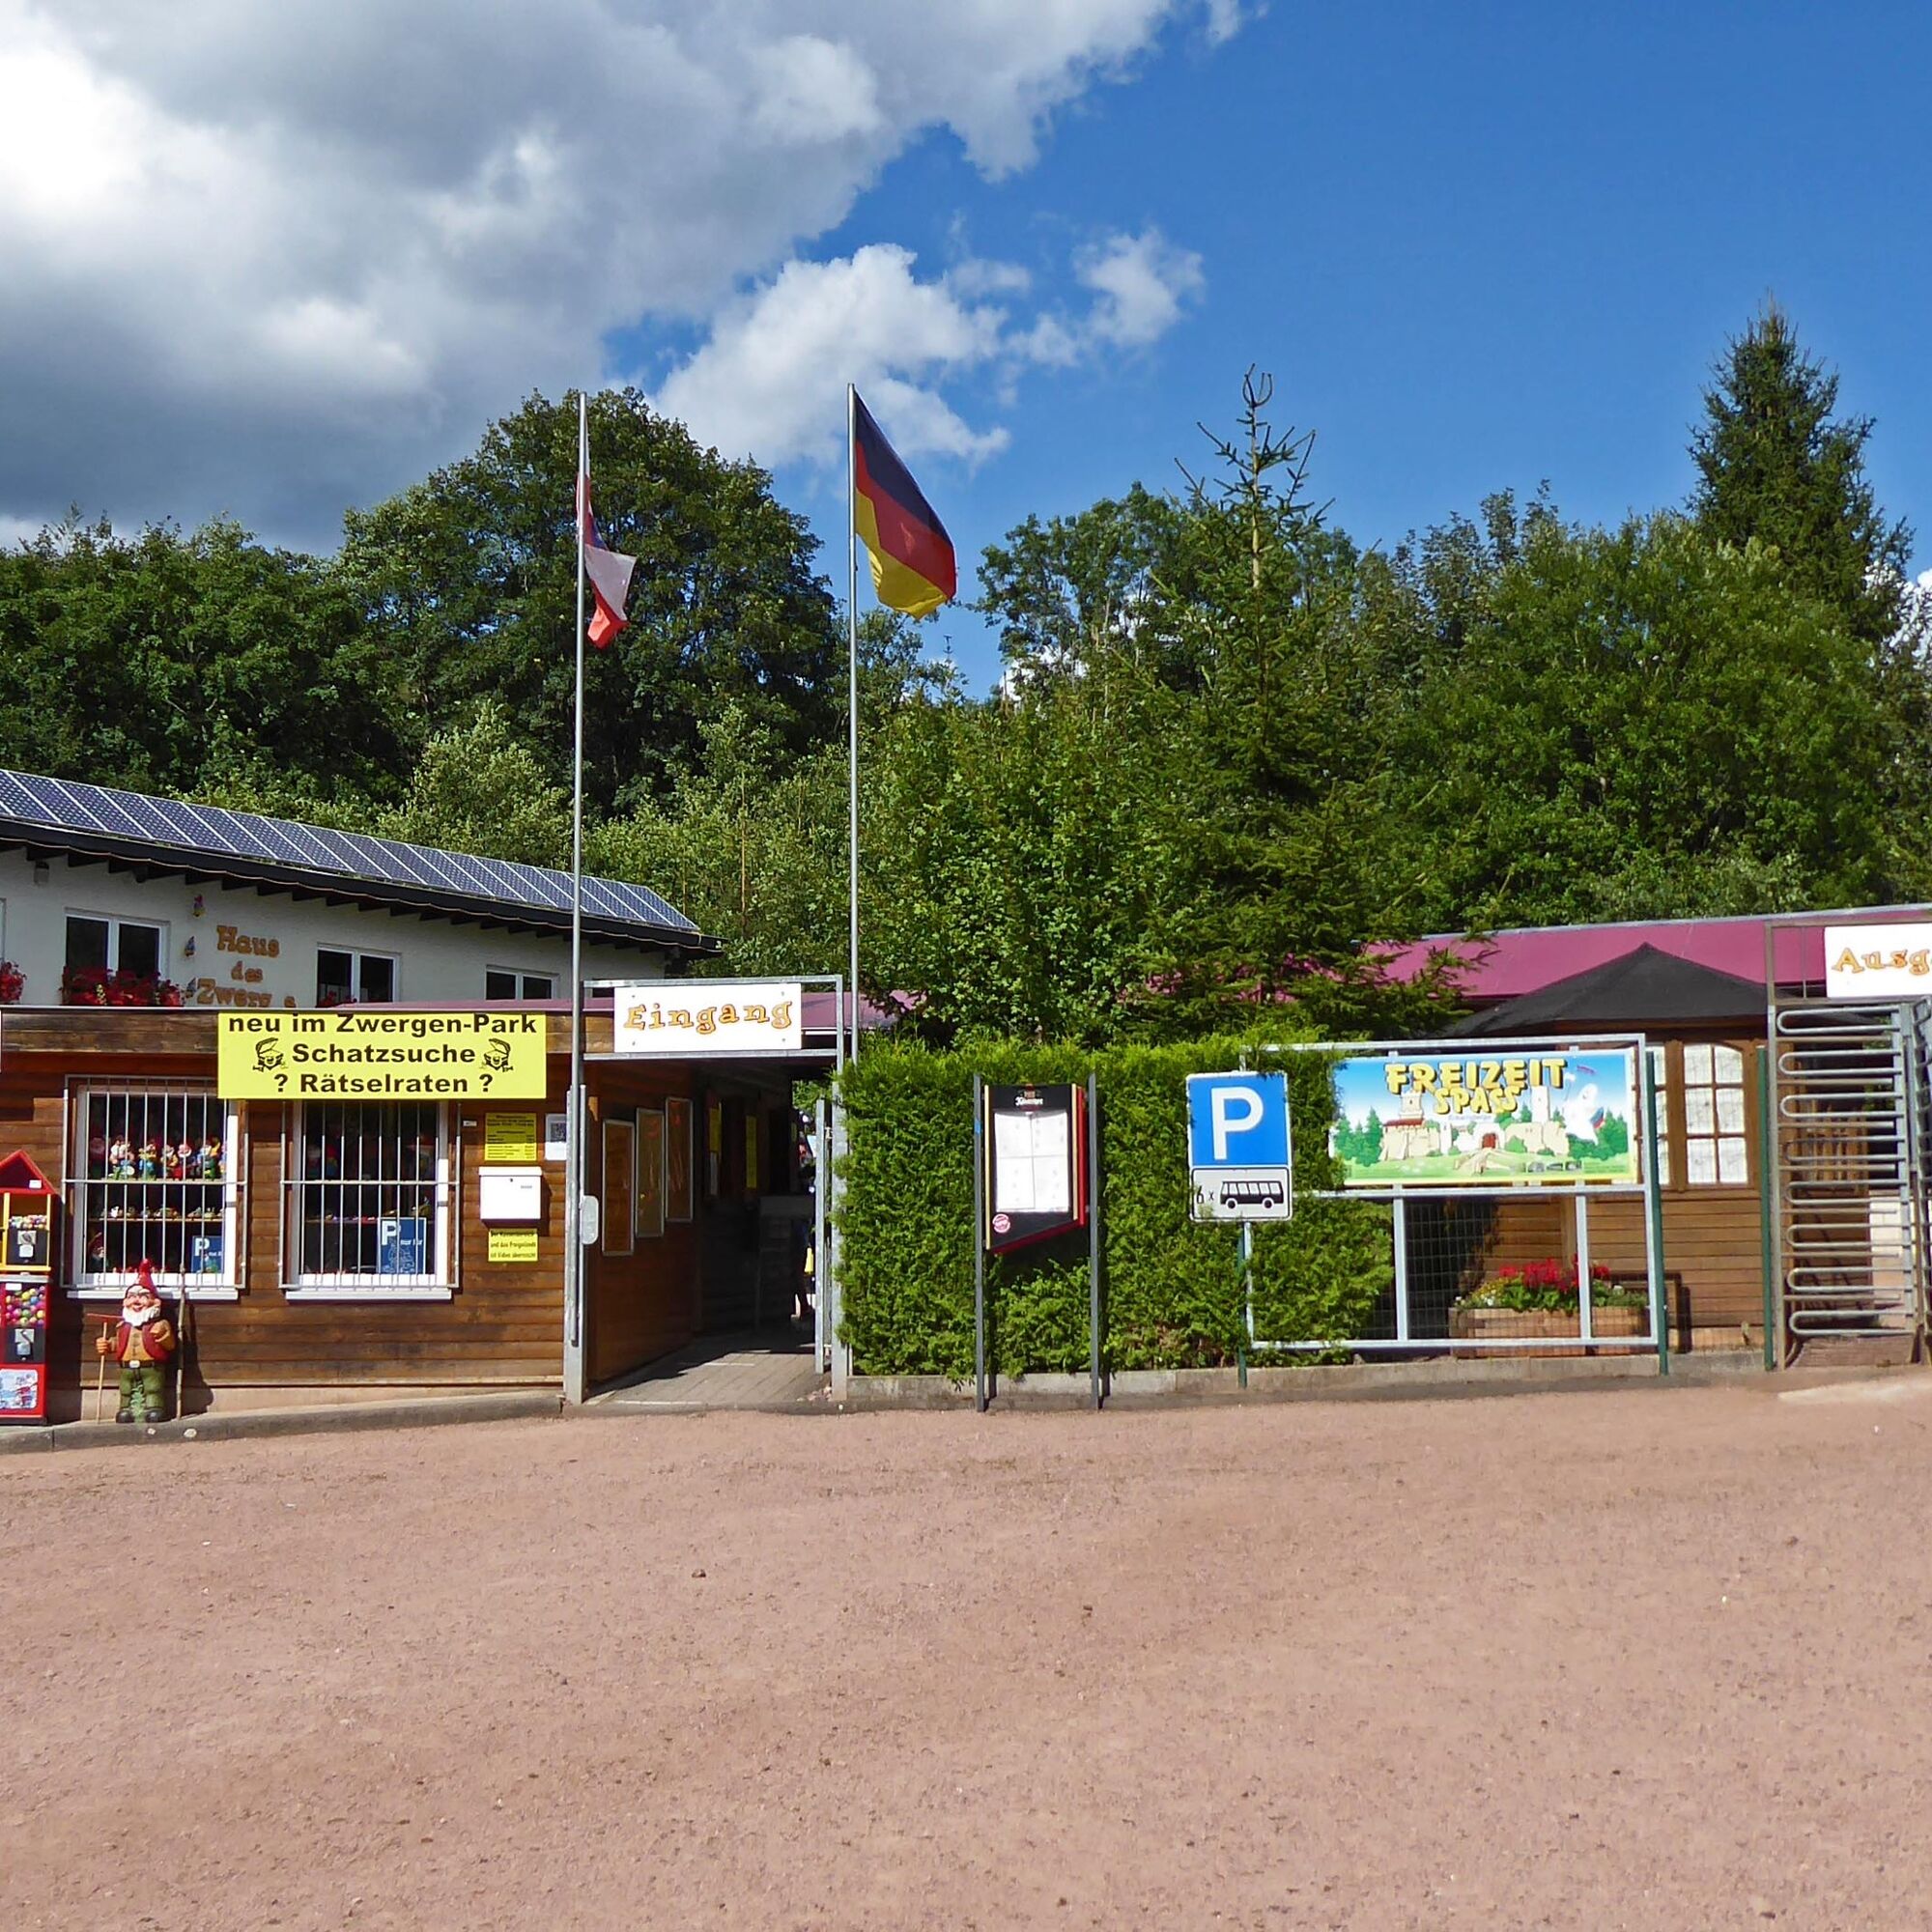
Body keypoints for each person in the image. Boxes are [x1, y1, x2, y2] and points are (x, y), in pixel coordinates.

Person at [97, 1259, 174, 1424]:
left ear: (155, 1302)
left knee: (153, 1388)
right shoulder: (122, 1326)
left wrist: (162, 1336)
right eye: (131, 1297)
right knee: (126, 1389)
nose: (136, 1301)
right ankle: (126, 1409)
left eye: (143, 1297)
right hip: (127, 1368)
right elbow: (118, 1342)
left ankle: (154, 1408)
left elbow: (170, 1344)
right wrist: (107, 1345)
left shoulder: (160, 1324)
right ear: (125, 1302)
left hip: (151, 1367)